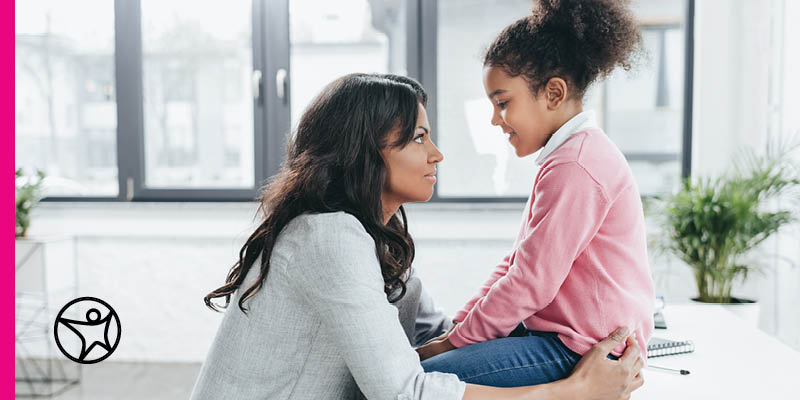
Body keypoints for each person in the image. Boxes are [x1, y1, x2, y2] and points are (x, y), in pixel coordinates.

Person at [190, 73, 643, 400]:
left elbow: (441, 337)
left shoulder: (373, 239)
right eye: (418, 138)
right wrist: (575, 390)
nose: (437, 154)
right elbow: (407, 393)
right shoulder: (328, 238)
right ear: (365, 152)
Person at [416, 0, 656, 388]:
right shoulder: (569, 156)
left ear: (554, 94)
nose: (496, 119)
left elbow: (529, 282)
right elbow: (517, 263)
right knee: (421, 370)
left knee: (420, 382)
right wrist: (461, 326)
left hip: (579, 350)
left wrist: (452, 344)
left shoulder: (576, 165)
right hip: (558, 338)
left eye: (503, 102)